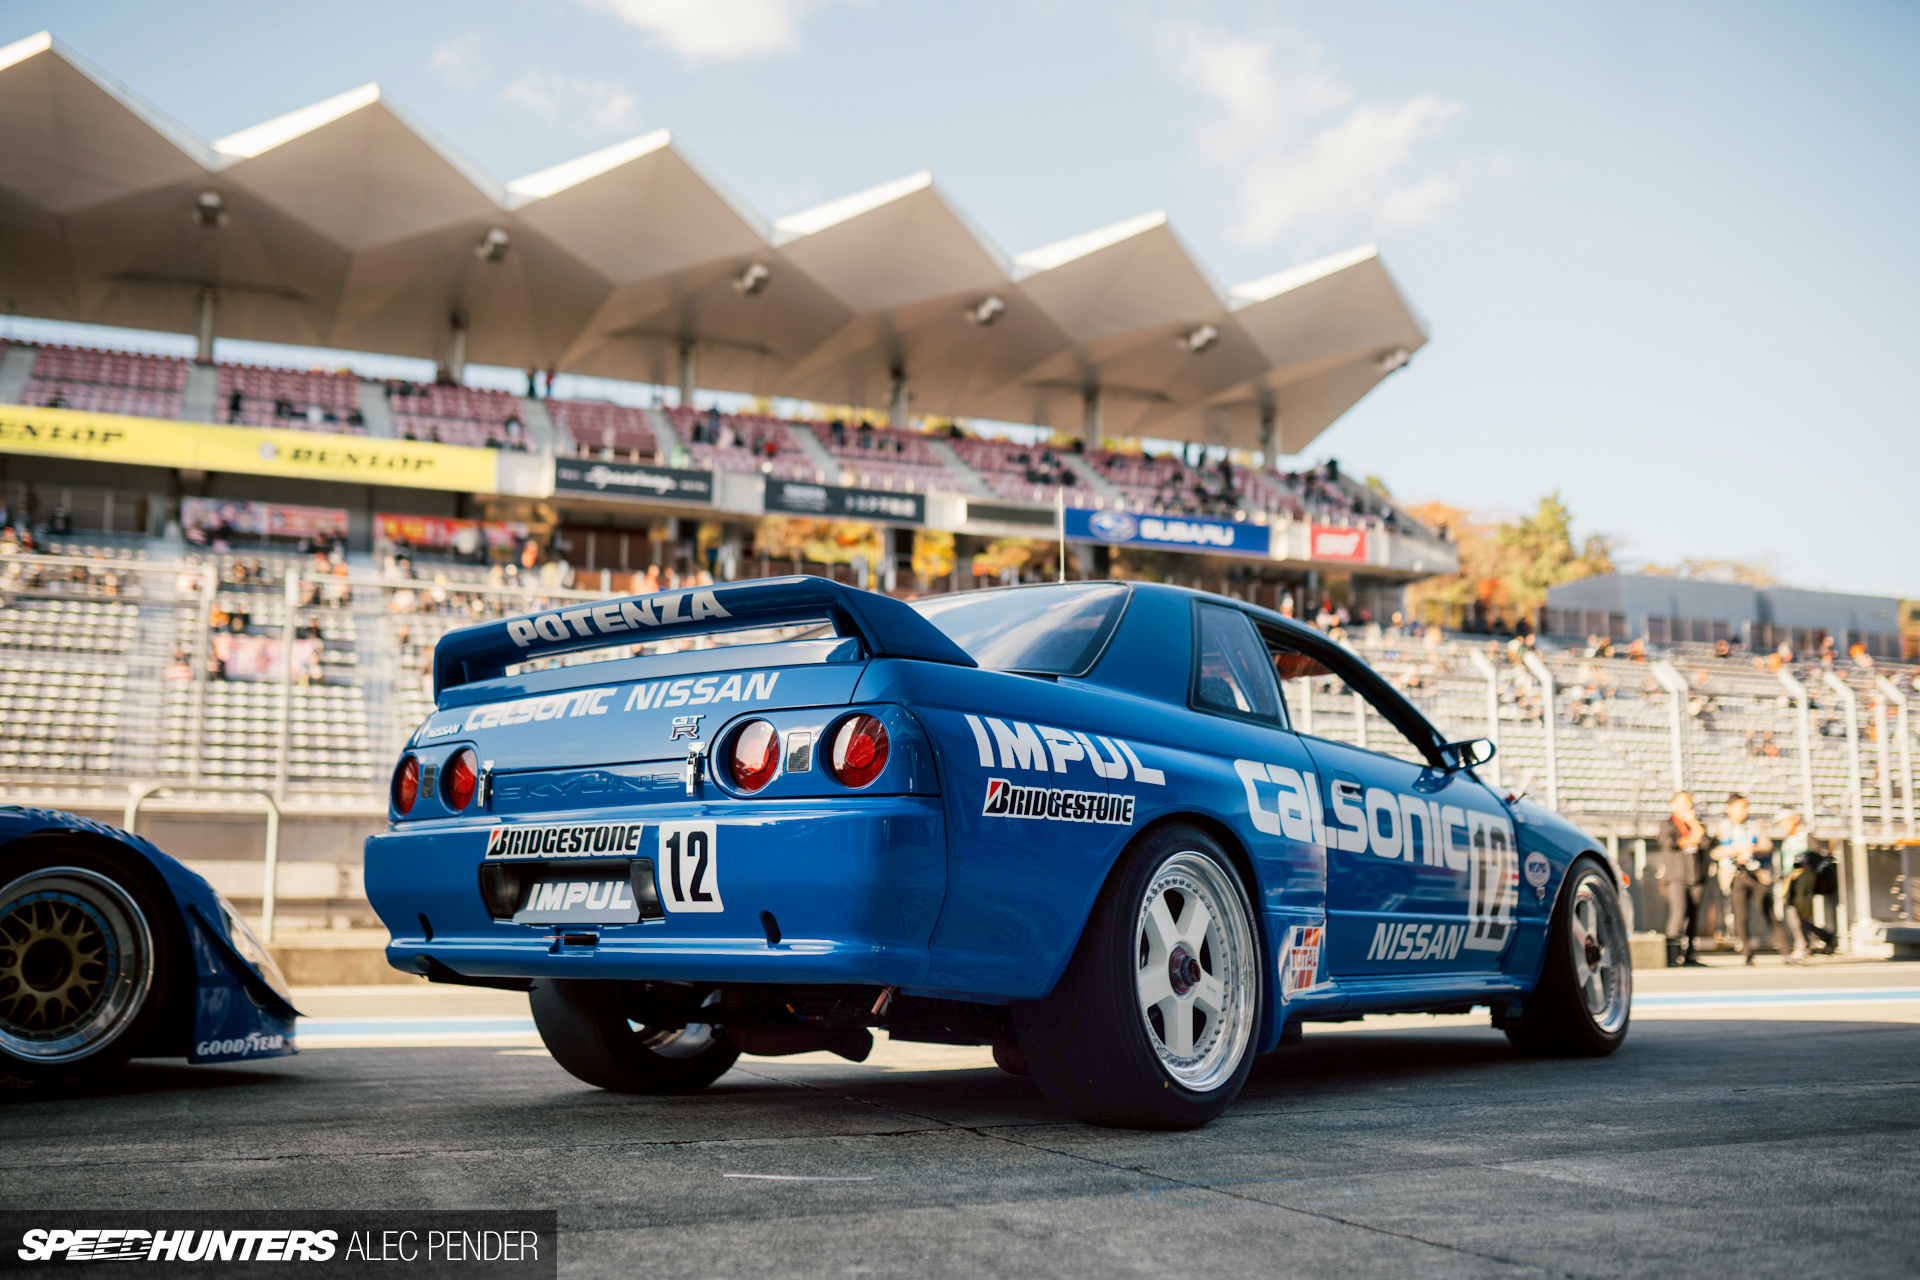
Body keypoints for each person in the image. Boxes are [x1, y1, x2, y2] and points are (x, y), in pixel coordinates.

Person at [1714, 793, 1783, 964]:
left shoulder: (1755, 825)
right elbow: (1715, 852)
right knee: (1741, 917)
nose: (1743, 811)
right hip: (1735, 875)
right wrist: (1737, 850)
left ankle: (1786, 950)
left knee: (1769, 911)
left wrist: (1752, 849)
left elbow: (1767, 845)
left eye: (1745, 808)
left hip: (1757, 874)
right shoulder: (1722, 827)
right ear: (1729, 809)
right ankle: (1747, 953)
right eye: (1739, 808)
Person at [1651, 791, 1709, 966]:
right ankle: (1671, 956)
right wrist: (1693, 839)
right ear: (1674, 804)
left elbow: (1707, 843)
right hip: (1676, 877)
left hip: (1696, 876)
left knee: (1693, 916)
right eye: (1683, 802)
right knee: (1678, 914)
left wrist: (1694, 824)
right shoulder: (1668, 824)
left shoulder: (1696, 825)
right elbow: (1668, 842)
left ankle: (1690, 955)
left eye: (1689, 802)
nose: (1687, 806)